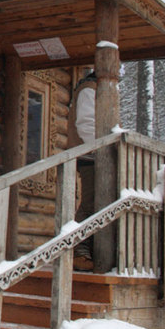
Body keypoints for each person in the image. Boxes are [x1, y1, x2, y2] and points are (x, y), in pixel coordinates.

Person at [68, 70, 96, 271]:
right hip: (92, 155)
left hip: (96, 155)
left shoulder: (95, 88)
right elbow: (86, 124)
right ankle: (78, 248)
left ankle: (87, 249)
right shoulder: (89, 89)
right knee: (91, 202)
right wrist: (103, 147)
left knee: (97, 202)